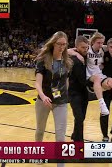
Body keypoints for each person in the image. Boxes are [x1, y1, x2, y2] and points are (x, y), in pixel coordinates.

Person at [34, 31, 72, 167]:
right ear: (53, 43)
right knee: (40, 130)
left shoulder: (67, 62)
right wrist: (43, 96)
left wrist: (65, 94)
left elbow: (66, 82)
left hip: (61, 102)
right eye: (59, 44)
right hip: (43, 101)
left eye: (64, 44)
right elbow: (37, 82)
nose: (62, 47)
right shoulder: (43, 60)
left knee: (60, 135)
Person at [68, 32, 112, 120]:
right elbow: (68, 50)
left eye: (102, 42)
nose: (101, 44)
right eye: (98, 42)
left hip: (99, 73)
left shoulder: (103, 48)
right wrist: (77, 54)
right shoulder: (87, 49)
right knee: (97, 79)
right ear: (93, 42)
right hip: (89, 75)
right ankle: (102, 105)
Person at [68, 36, 89, 142]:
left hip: (84, 93)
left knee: (81, 117)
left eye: (86, 47)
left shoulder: (87, 56)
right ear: (76, 47)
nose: (85, 49)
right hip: (74, 93)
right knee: (79, 118)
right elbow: (82, 79)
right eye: (82, 47)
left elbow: (103, 46)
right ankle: (79, 143)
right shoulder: (74, 59)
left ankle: (74, 135)